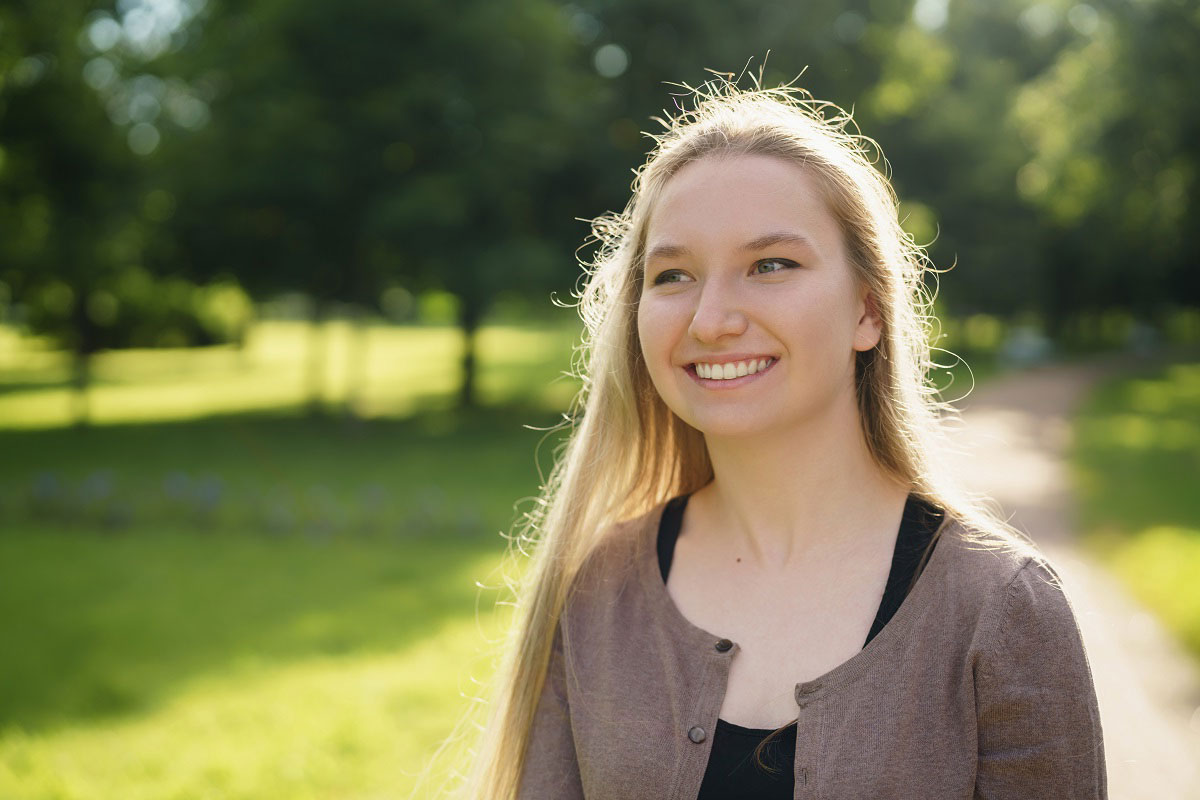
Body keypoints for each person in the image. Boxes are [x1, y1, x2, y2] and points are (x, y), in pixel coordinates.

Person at [457, 76, 1107, 799]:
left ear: (868, 311)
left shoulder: (1001, 610)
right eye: (672, 275)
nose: (711, 320)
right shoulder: (598, 590)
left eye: (770, 265)